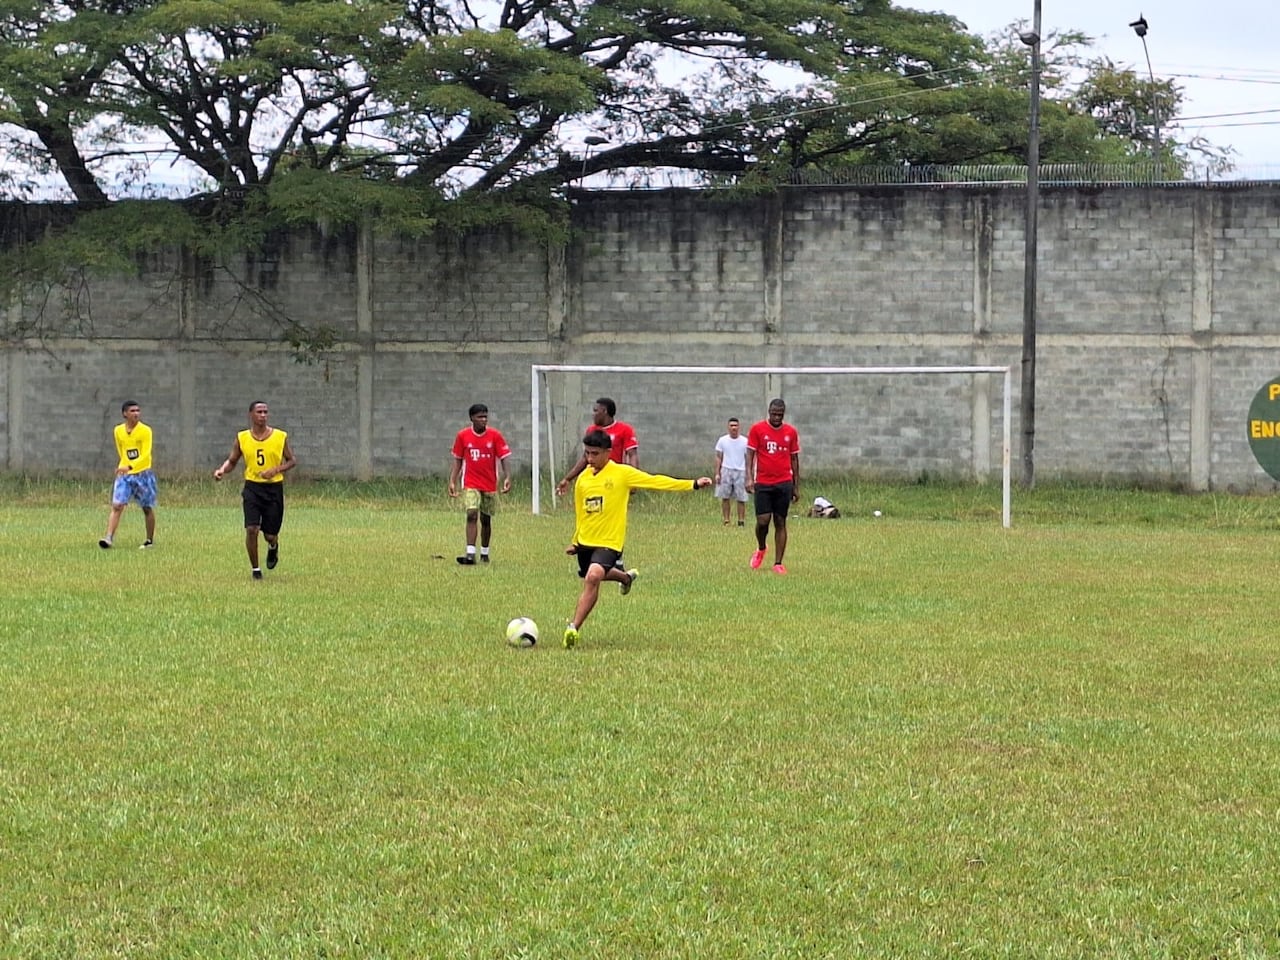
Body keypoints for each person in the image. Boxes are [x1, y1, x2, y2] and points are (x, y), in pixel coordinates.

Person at [563, 429, 711, 648]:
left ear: (608, 452)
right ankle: (625, 578)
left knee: (593, 577)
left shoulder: (622, 473)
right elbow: (581, 512)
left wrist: (693, 484)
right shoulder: (583, 479)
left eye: (595, 454)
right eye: (587, 454)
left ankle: (573, 628)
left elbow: (655, 481)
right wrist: (576, 541)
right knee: (592, 573)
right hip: (586, 541)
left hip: (610, 541)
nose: (590, 459)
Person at [213, 401, 297, 580]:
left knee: (269, 534)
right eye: (259, 412)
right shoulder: (242, 437)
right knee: (251, 528)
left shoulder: (280, 436)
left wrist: (275, 470)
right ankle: (256, 570)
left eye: (266, 412)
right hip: (252, 487)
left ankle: (273, 546)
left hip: (273, 489)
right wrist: (222, 470)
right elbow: (232, 460)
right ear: (251, 414)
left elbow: (291, 460)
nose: (263, 415)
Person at [447, 402, 513, 565]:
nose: (483, 420)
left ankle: (485, 552)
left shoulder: (495, 436)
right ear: (472, 418)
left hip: (489, 483)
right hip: (470, 482)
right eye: (480, 417)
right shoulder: (463, 436)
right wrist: (452, 480)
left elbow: (503, 457)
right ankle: (470, 553)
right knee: (471, 514)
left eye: (485, 417)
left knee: (486, 519)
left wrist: (507, 477)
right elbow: (458, 460)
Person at [745, 398, 801, 575]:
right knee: (763, 521)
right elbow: (750, 455)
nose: (776, 417)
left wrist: (795, 486)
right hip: (763, 482)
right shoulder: (757, 429)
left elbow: (794, 459)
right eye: (774, 414)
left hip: (784, 482)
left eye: (780, 414)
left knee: (780, 521)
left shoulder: (790, 432)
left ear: (784, 414)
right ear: (769, 412)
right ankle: (761, 548)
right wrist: (748, 478)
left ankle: (778, 563)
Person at [99, 400, 157, 549]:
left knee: (147, 507)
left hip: (142, 474)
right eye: (132, 411)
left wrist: (131, 466)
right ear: (125, 414)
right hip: (124, 475)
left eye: (138, 410)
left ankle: (149, 540)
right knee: (117, 505)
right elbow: (122, 450)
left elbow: (145, 454)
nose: (136, 413)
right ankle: (108, 538)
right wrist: (123, 466)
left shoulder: (145, 431)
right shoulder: (118, 431)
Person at [555, 397, 639, 497]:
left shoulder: (624, 429)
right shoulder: (591, 430)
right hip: (594, 478)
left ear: (605, 411)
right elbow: (585, 458)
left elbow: (632, 455)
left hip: (613, 478)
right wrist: (567, 479)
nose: (593, 414)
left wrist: (634, 480)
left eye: (595, 411)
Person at [714, 416, 749, 526]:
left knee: (741, 498)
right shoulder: (722, 440)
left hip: (741, 471)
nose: (734, 428)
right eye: (731, 426)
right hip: (726, 470)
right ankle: (726, 520)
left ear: (739, 427)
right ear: (728, 427)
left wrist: (749, 475)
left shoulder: (745, 441)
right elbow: (719, 457)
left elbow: (748, 459)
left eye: (736, 425)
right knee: (725, 497)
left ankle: (741, 521)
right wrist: (717, 473)